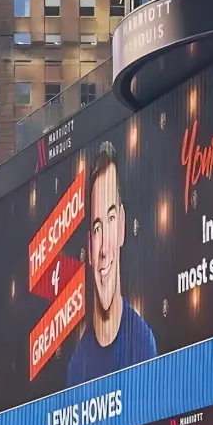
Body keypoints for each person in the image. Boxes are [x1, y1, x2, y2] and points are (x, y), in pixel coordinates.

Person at [65, 141, 157, 387]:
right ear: (90, 247)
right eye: (97, 228)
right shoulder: (77, 366)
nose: (105, 248)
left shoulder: (142, 343)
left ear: (123, 225)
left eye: (111, 218)